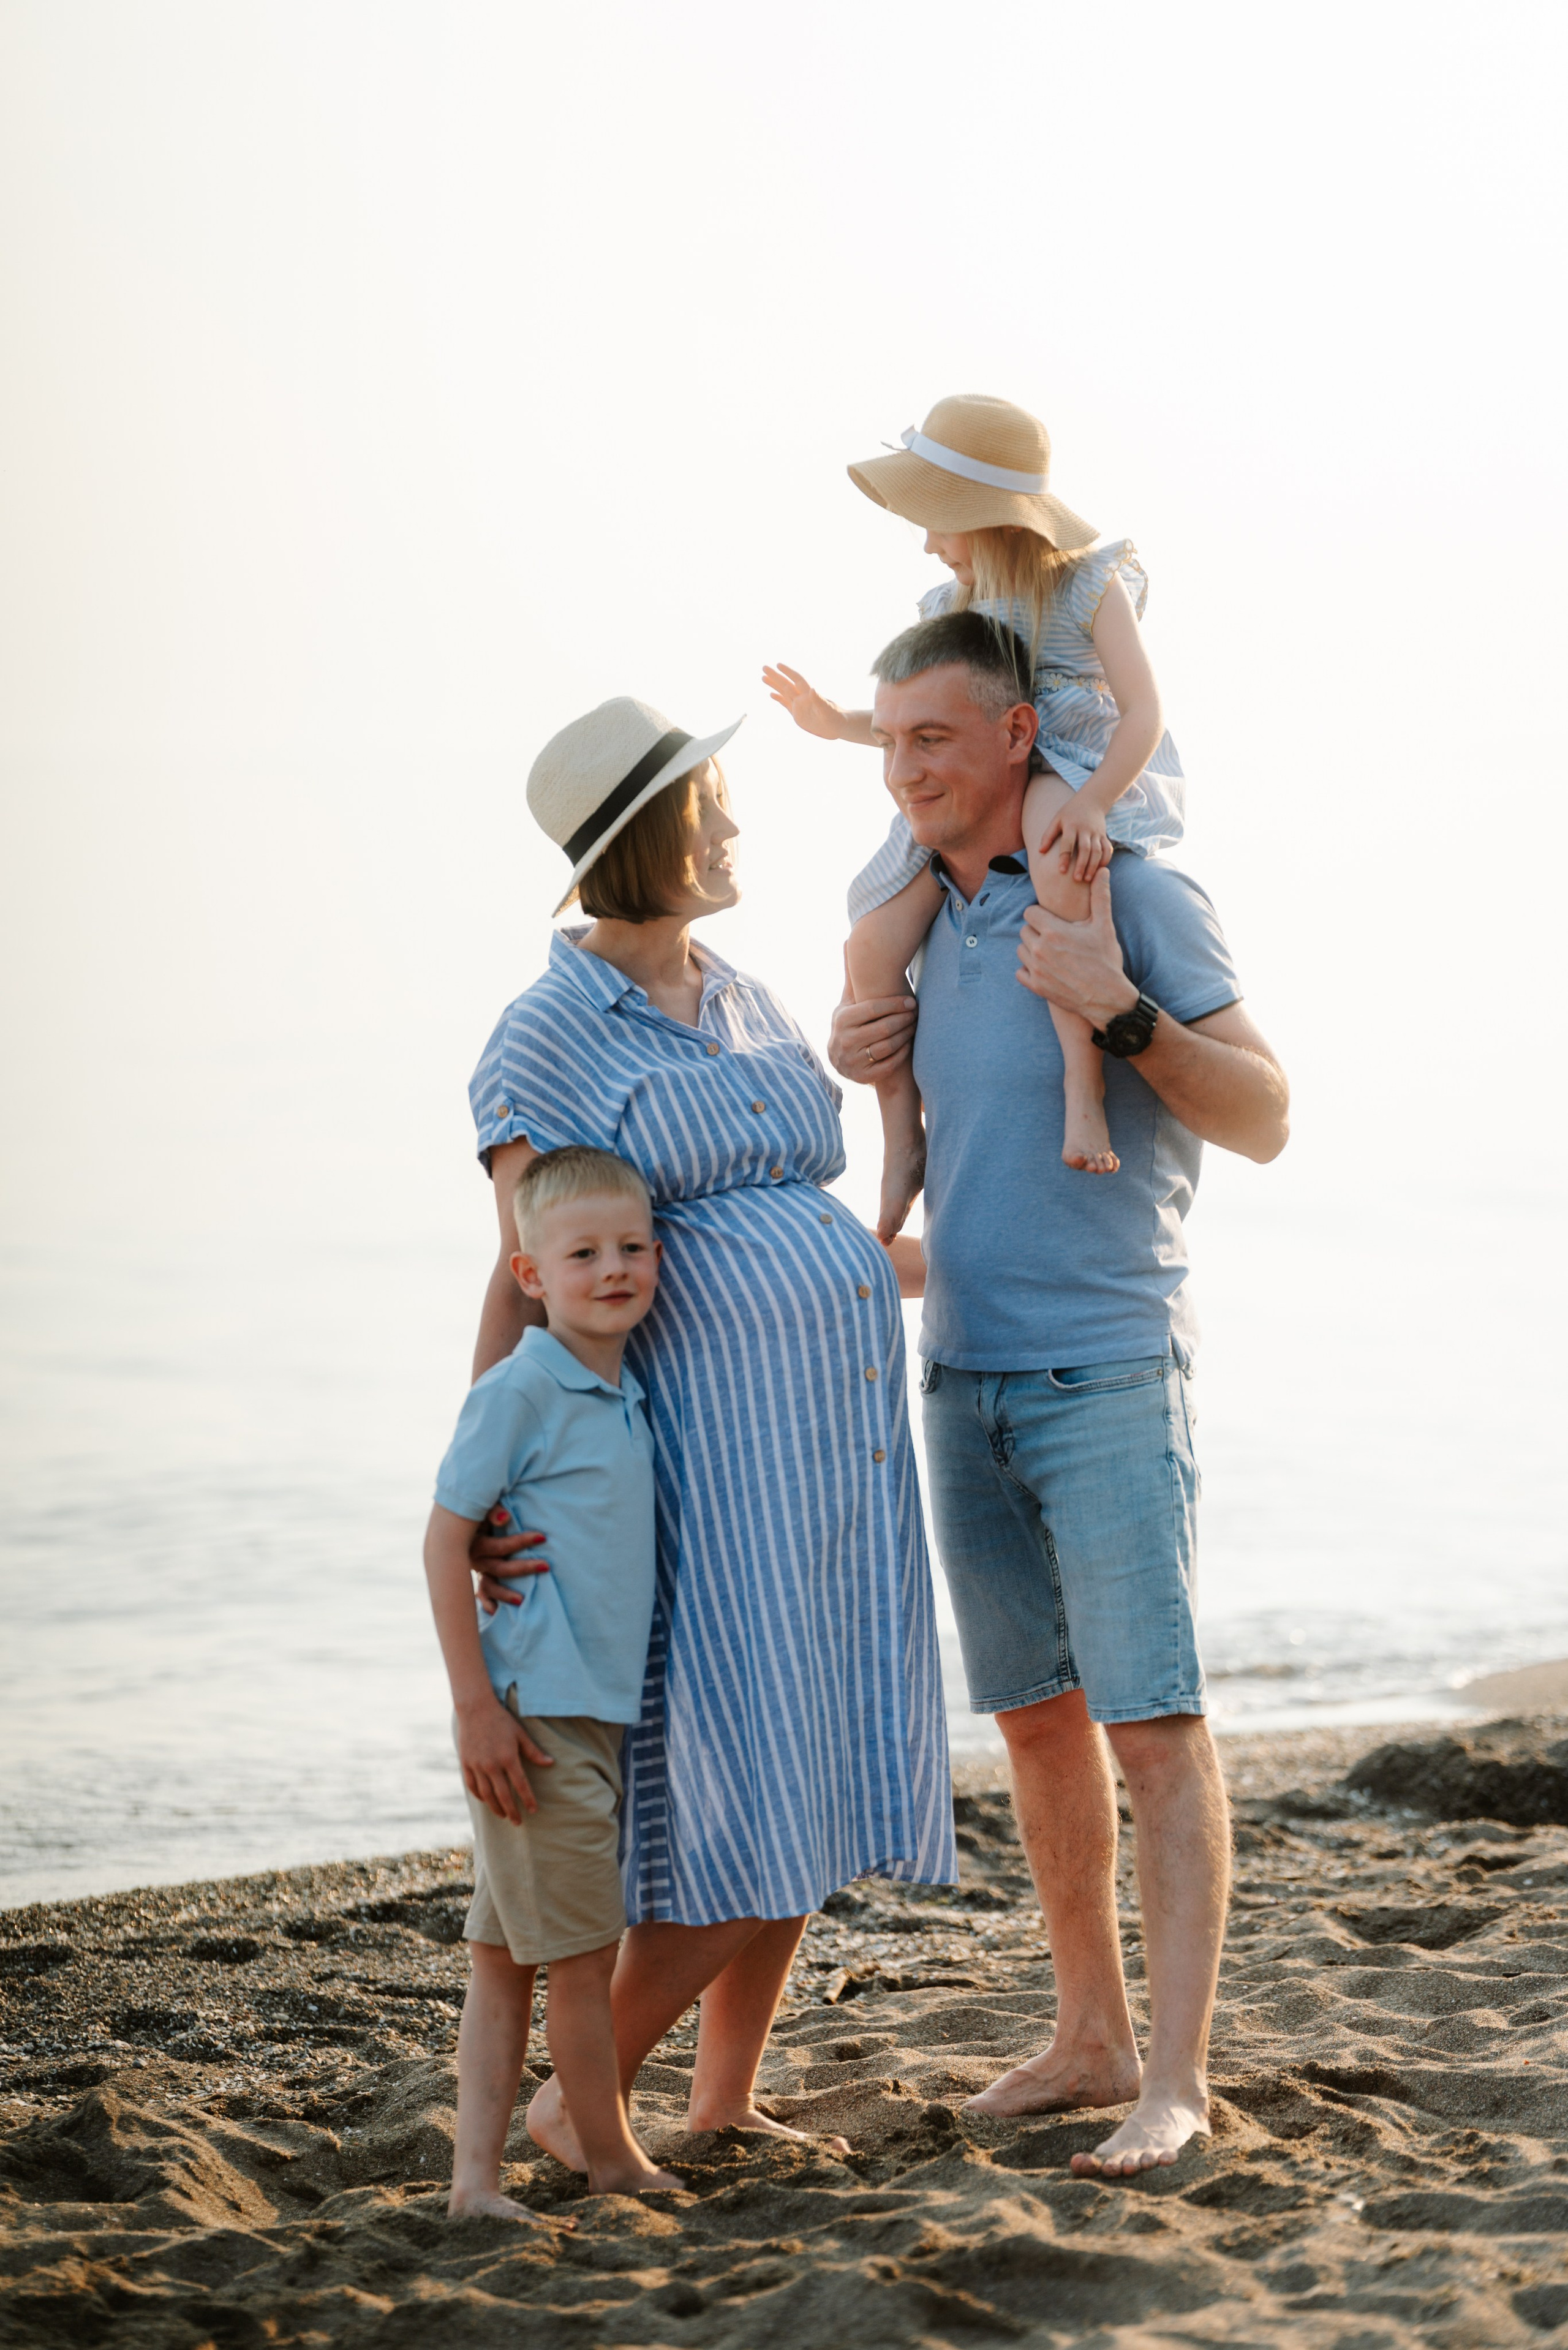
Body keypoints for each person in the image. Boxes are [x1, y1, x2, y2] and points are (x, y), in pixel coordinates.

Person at [464, 695, 954, 2176]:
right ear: (644, 840)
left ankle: (723, 2094)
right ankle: (576, 2101)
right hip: (705, 1467)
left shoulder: (734, 987)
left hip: (842, 1455)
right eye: (712, 809)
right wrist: (485, 1483)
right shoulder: (546, 1033)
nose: (736, 830)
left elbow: (790, 1210)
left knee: (818, 1756)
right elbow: (520, 1262)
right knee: (750, 1777)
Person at [828, 610, 1290, 2179]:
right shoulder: (910, 920)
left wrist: (1119, 1006)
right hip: (958, 1378)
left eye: (931, 739)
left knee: (1152, 1729)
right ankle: (1086, 2028)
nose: (901, 769)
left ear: (1015, 738)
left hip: (1106, 1373)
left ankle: (1174, 2078)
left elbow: (1268, 1115)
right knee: (1037, 1728)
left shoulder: (1130, 889)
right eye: (888, 740)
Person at [766, 391, 1185, 1237]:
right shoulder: (944, 611)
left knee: (1056, 852)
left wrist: (1098, 800)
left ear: (984, 517)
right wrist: (832, 722)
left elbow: (1144, 712)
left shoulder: (1089, 587)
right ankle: (901, 1139)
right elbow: (916, 720)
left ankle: (1081, 1083)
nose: (927, 542)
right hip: (977, 778)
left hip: (1062, 764)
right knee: (869, 939)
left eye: (937, 521)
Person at [423, 1144, 680, 2216]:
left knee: (502, 1960)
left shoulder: (622, 1389)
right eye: (583, 1253)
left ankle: (473, 2183)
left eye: (631, 1247)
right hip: (534, 1720)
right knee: (582, 1957)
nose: (612, 1268)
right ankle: (612, 2157)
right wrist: (476, 1706)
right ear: (531, 1275)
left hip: (587, 1714)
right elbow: (444, 1541)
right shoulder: (523, 1385)